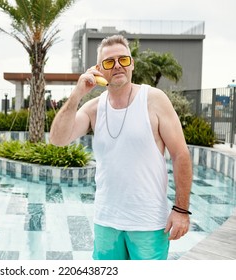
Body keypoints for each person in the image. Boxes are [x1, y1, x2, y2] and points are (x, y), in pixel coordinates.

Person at [49, 35, 192, 260]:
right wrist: (77, 94)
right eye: (109, 62)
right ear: (99, 69)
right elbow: (57, 139)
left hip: (148, 224)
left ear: (131, 63)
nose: (117, 65)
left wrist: (181, 210)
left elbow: (180, 154)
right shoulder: (93, 108)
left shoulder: (154, 100)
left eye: (123, 60)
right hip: (106, 221)